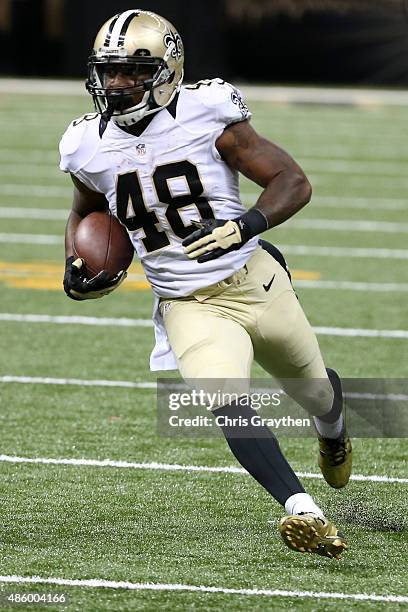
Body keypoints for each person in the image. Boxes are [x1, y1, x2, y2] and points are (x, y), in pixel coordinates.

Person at [60, 9, 352, 559]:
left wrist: (242, 225)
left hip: (254, 279)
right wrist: (77, 265)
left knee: (314, 390)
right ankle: (301, 509)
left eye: (132, 71)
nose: (117, 84)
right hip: (186, 301)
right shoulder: (84, 143)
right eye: (108, 71)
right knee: (224, 400)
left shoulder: (207, 111)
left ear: (167, 70)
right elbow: (86, 211)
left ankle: (333, 432)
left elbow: (292, 180)